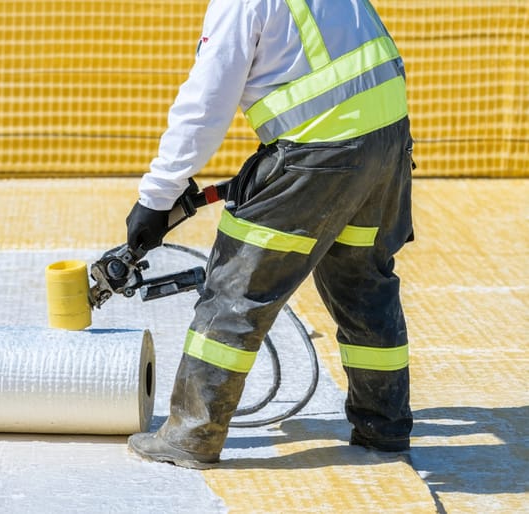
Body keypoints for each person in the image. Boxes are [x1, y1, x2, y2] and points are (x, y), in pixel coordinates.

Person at [124, 0, 415, 469]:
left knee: (236, 290)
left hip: (322, 152)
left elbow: (206, 102)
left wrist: (157, 197)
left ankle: (192, 436)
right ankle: (385, 426)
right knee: (364, 283)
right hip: (386, 142)